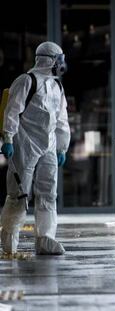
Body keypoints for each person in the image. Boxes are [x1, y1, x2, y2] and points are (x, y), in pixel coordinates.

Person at [0, 41, 70, 255]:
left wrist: (61, 147)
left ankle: (45, 238)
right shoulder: (26, 81)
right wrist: (9, 138)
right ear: (50, 60)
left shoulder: (57, 86)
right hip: (25, 143)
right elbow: (12, 111)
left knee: (48, 192)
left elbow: (61, 119)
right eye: (59, 59)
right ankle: (10, 239)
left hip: (48, 144)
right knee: (19, 194)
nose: (62, 63)